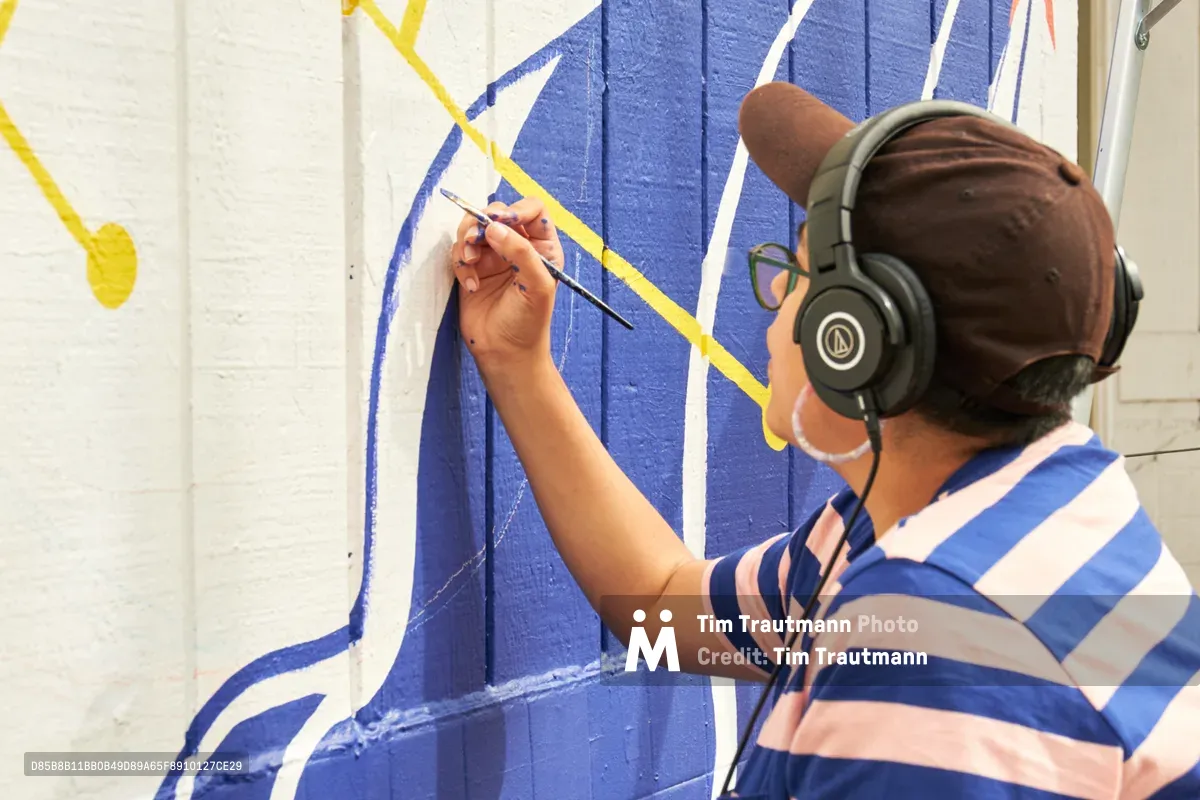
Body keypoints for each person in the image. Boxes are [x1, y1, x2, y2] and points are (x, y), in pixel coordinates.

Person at [447, 82, 1200, 798]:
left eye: (801, 271)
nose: (777, 295)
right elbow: (664, 612)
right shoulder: (1027, 506)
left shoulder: (935, 638)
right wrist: (519, 364)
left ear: (860, 338)